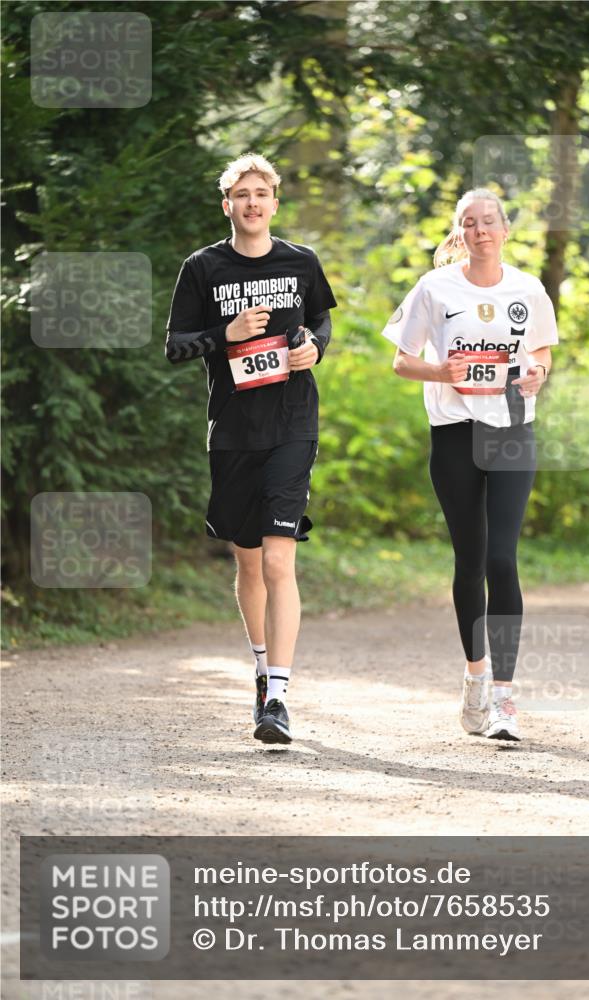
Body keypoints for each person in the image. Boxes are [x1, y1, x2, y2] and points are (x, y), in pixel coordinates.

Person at [165, 153, 337, 745]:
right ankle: (262, 667)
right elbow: (176, 346)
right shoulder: (203, 268)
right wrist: (225, 335)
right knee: (246, 560)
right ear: (227, 205)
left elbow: (321, 322)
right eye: (242, 194)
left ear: (275, 202)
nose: (253, 202)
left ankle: (279, 698)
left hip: (293, 424)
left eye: (262, 192)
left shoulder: (301, 262)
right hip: (233, 432)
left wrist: (314, 346)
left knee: (278, 559)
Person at [381, 188, 558, 741]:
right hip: (455, 436)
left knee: (503, 560)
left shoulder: (528, 288)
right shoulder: (435, 288)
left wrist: (536, 374)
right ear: (460, 234)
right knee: (471, 561)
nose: (480, 230)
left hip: (511, 432)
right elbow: (401, 361)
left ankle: (504, 698)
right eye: (469, 223)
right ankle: (475, 675)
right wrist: (444, 373)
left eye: (489, 221)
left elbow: (542, 354)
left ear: (505, 229)